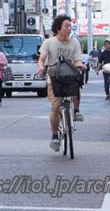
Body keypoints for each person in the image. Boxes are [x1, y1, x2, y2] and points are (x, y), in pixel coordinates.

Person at [37, 15, 86, 153]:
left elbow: (77, 60)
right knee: (55, 106)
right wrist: (41, 67)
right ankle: (54, 137)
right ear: (58, 28)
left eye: (70, 26)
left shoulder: (75, 42)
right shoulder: (49, 42)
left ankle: (76, 111)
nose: (69, 29)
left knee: (76, 84)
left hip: (69, 74)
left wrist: (81, 65)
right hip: (54, 76)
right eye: (66, 26)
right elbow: (41, 59)